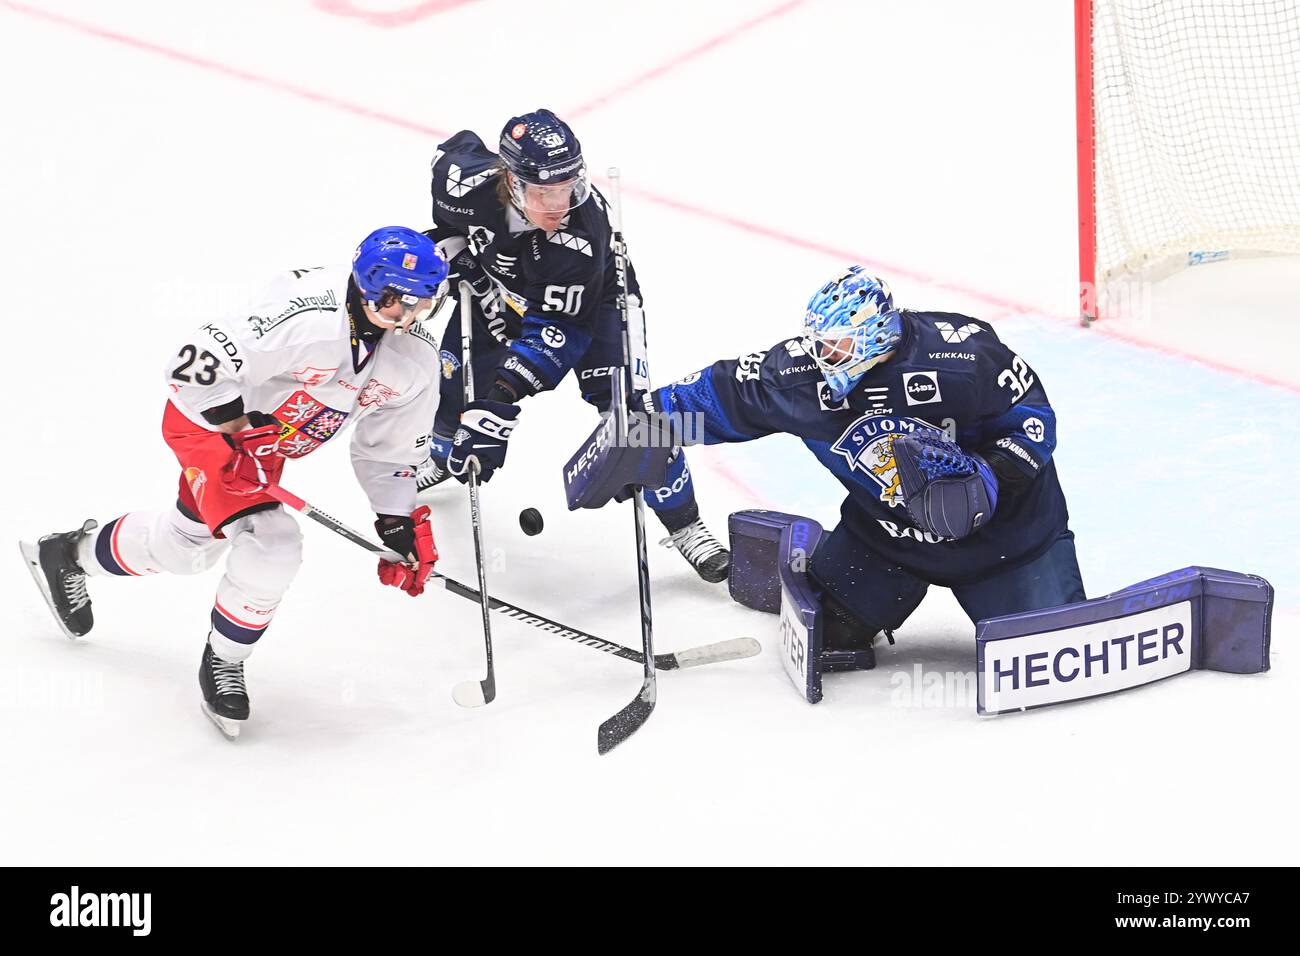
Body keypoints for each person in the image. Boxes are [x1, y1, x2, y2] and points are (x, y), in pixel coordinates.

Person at [20, 227, 449, 738]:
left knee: (187, 548)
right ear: (367, 285)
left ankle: (69, 555)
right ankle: (224, 661)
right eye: (396, 304)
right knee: (273, 543)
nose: (408, 319)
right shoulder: (306, 315)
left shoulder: (415, 361)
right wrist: (239, 431)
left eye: (421, 306)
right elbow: (193, 362)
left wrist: (397, 520)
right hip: (211, 426)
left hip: (264, 452)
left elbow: (389, 452)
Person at [644, 265, 1085, 663]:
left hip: (1008, 542)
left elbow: (1033, 421)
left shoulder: (963, 358)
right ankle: (815, 553)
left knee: (1047, 653)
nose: (821, 358)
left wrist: (992, 474)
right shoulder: (798, 376)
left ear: (874, 336)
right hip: (888, 540)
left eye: (836, 347)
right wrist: (638, 426)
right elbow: (722, 393)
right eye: (818, 345)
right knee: (831, 634)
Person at [418, 108, 730, 583]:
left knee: (633, 418)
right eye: (545, 191)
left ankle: (687, 525)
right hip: (501, 288)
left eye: (567, 187)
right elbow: (451, 166)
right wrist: (448, 244)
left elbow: (559, 334)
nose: (559, 203)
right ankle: (443, 455)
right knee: (456, 378)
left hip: (597, 305)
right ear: (510, 180)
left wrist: (499, 402)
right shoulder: (462, 182)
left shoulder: (580, 237)